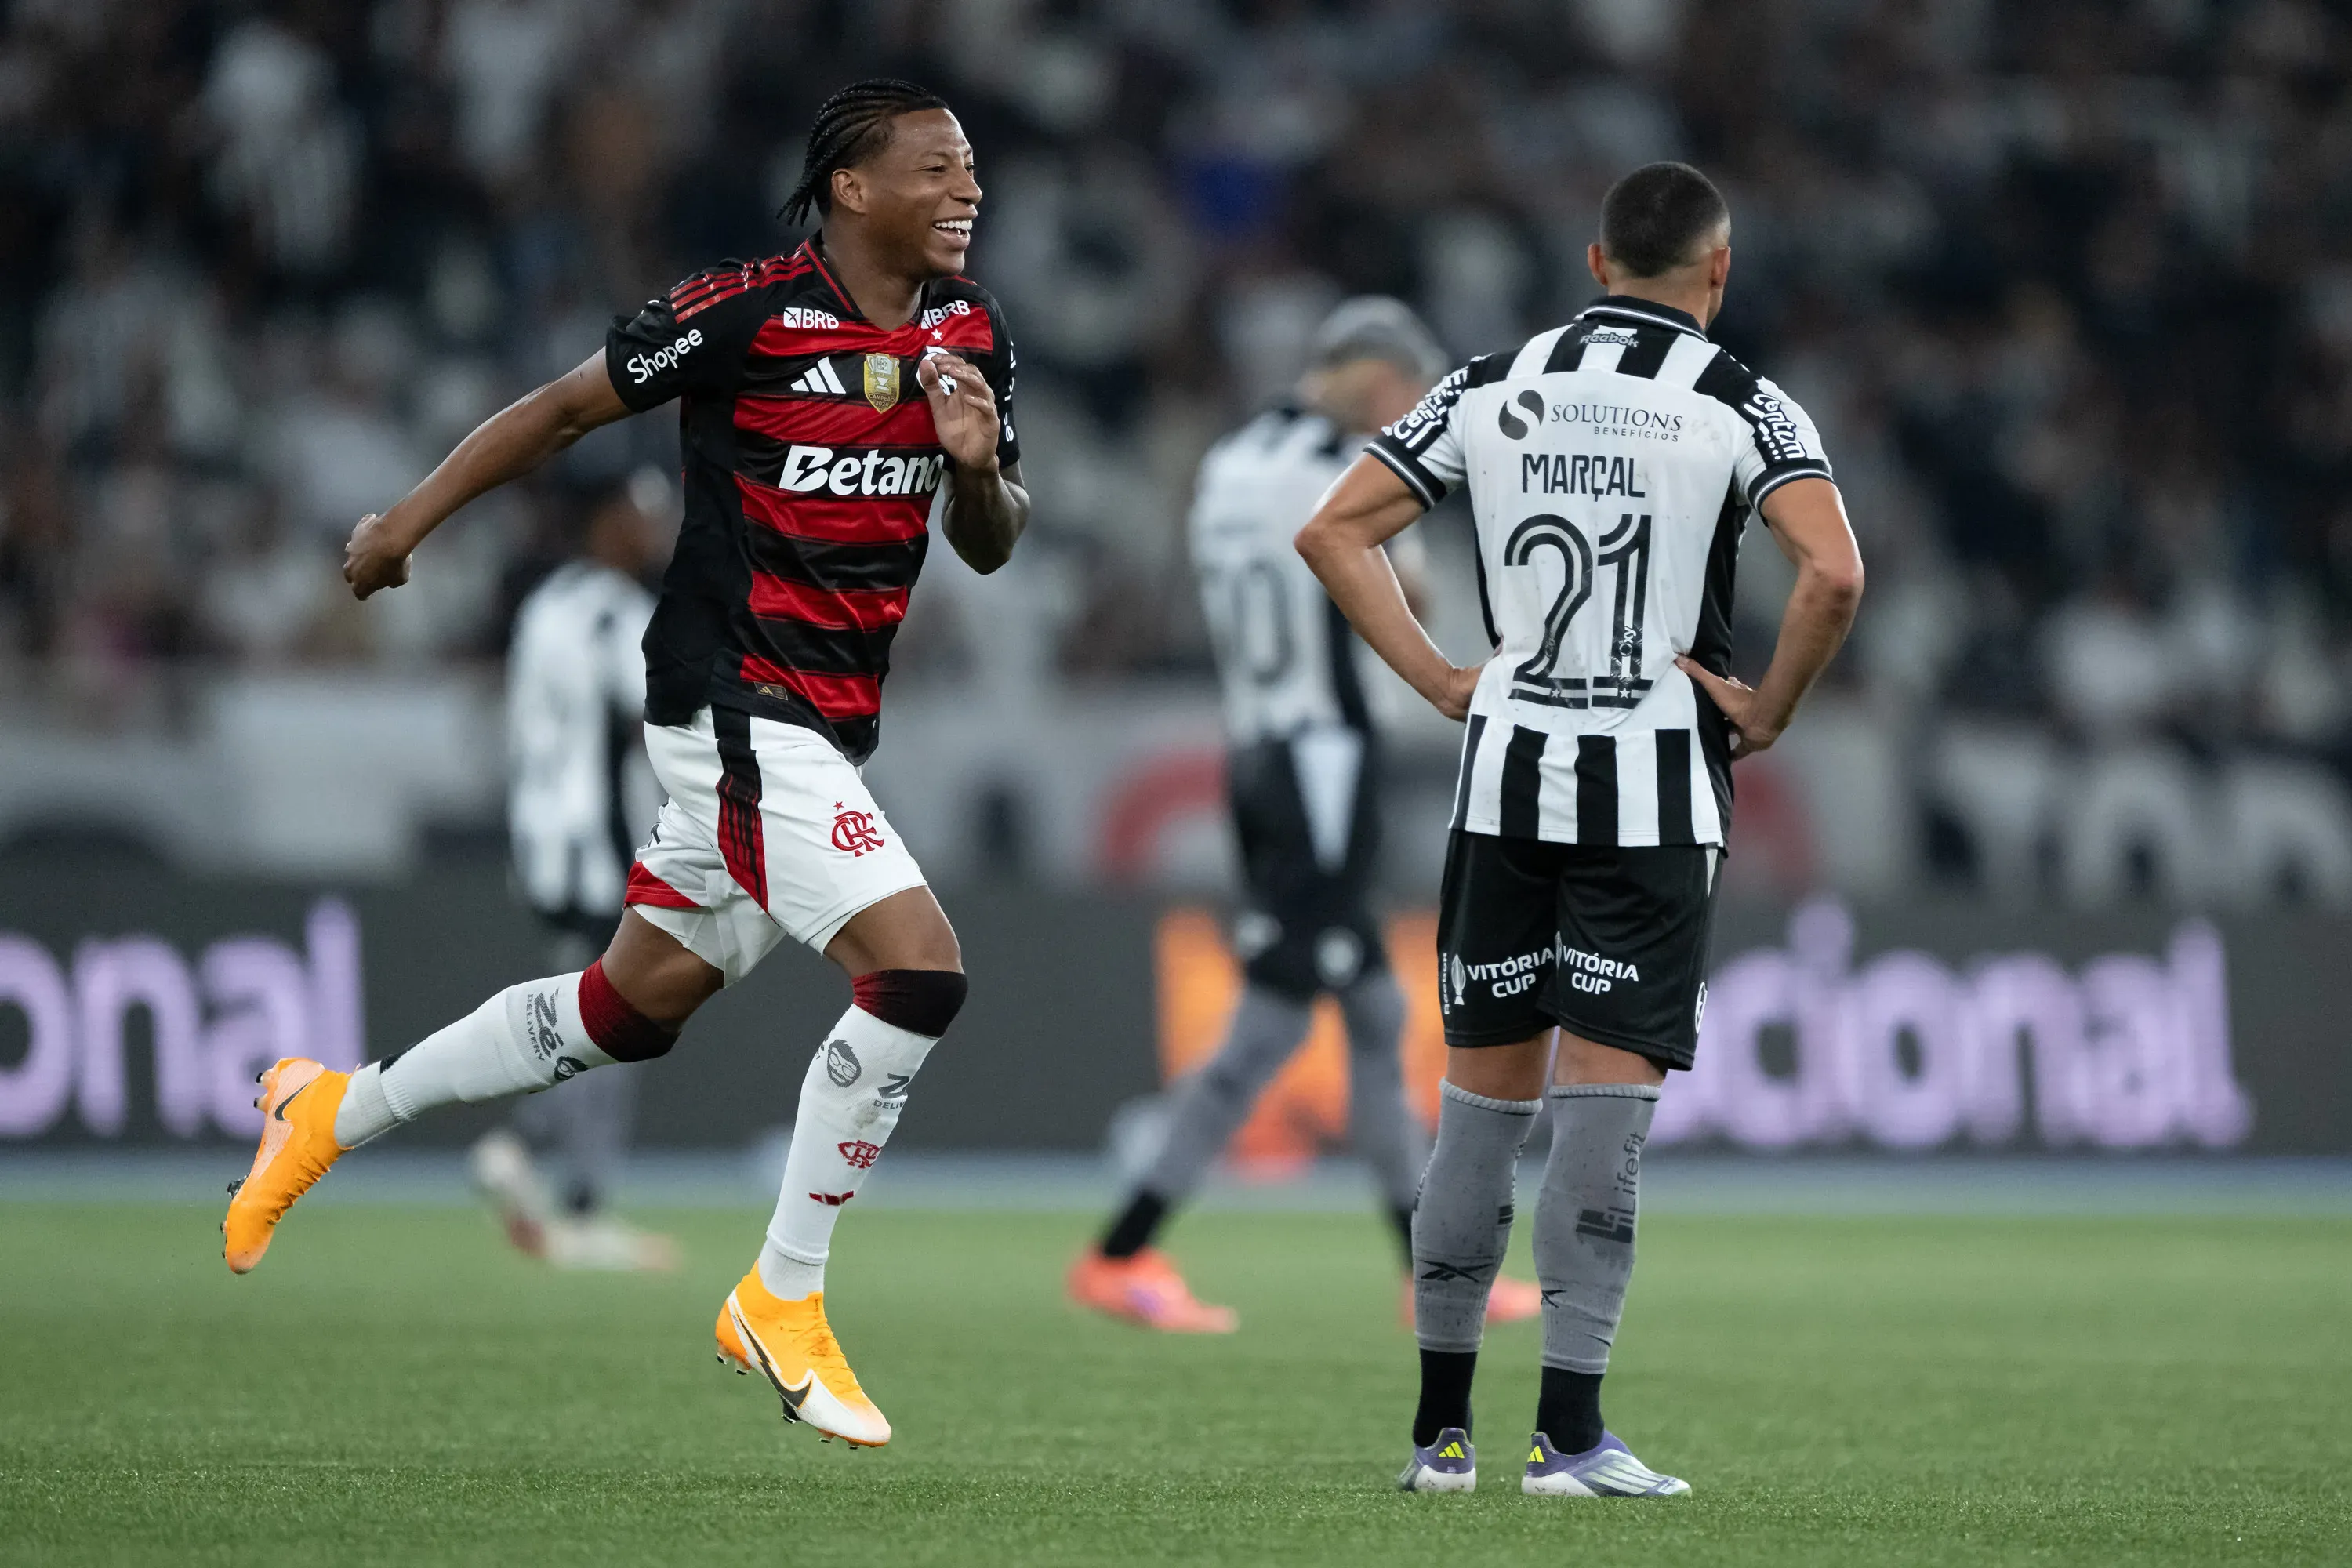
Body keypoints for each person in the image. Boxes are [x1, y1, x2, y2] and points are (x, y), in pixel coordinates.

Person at [220, 80, 1030, 1453]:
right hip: (729, 699)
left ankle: (334, 1106)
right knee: (921, 968)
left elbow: (996, 537)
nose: (970, 192)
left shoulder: (973, 335)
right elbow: (554, 416)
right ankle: (784, 1296)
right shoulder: (746, 312)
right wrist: (404, 527)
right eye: (939, 169)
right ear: (851, 186)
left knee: (625, 1010)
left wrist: (970, 472)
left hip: (821, 724)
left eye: (973, 172)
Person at [1298, 162, 1864, 1497]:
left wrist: (1443, 676)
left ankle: (1440, 1439)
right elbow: (1834, 571)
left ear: (1599, 265)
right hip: (1653, 797)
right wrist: (1769, 707)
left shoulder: (1492, 379)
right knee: (1600, 1123)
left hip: (1503, 786)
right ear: (1716, 275)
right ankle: (1570, 1435)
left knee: (1477, 1120)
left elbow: (1334, 533)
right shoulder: (1739, 398)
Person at [1067, 299, 1538, 1334]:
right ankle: (1121, 1250)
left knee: (1374, 1018)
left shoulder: (1234, 461)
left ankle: (1428, 1263)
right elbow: (1402, 586)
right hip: (1323, 759)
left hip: (1255, 750)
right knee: (1271, 1027)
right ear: (1382, 383)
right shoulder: (1341, 464)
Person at [471, 469, 677, 1272]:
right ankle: (565, 1183)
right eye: (640, 516)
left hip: (536, 832)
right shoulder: (617, 613)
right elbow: (653, 722)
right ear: (604, 521)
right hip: (599, 838)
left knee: (596, 1007)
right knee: (624, 1013)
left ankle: (539, 1161)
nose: (653, 533)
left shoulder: (544, 605)